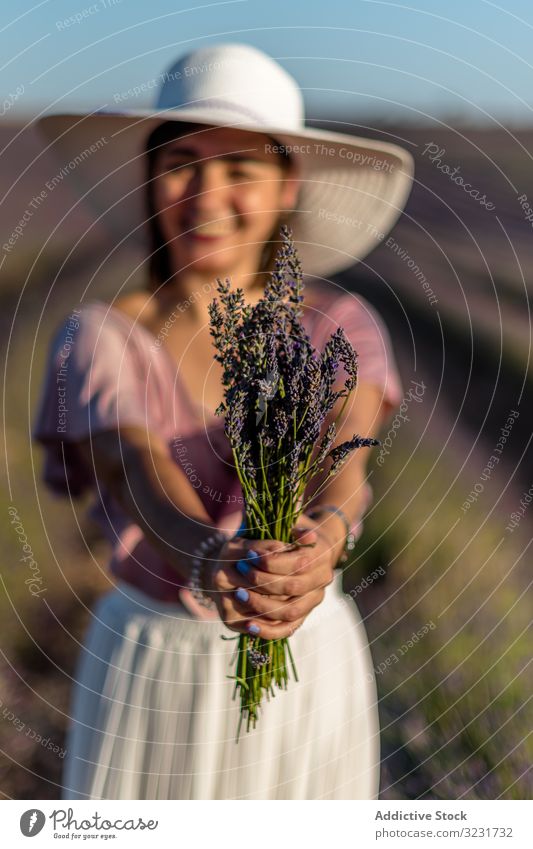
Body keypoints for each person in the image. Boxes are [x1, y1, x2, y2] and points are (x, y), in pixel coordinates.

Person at [32, 42, 413, 800]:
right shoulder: (101, 335)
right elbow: (142, 470)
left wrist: (321, 542)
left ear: (283, 187)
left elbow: (346, 454)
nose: (206, 196)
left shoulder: (336, 323)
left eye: (239, 169)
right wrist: (214, 559)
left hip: (305, 651)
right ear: (150, 180)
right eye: (183, 163)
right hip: (156, 664)